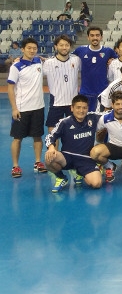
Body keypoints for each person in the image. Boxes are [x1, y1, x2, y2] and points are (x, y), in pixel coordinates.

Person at [44, 94, 102, 192]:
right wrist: (51, 147)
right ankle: (61, 177)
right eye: (78, 107)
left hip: (86, 159)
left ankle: (80, 172)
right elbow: (50, 136)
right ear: (72, 108)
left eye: (84, 108)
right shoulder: (65, 122)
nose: (81, 111)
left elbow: (110, 114)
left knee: (96, 184)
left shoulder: (92, 118)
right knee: (49, 157)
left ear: (87, 108)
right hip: (67, 157)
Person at [8, 37, 46, 178]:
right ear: (22, 49)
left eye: (34, 48)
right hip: (22, 109)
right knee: (18, 138)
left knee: (38, 136)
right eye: (29, 48)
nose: (32, 51)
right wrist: (14, 108)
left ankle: (38, 162)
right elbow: (11, 88)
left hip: (38, 107)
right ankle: (15, 166)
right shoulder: (16, 67)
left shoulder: (39, 61)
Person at [73, 26, 117, 111]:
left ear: (101, 37)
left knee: (102, 119)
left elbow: (119, 61)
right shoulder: (80, 50)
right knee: (85, 119)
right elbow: (67, 57)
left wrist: (112, 60)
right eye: (92, 35)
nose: (95, 38)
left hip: (103, 92)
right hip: (85, 92)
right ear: (88, 37)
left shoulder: (108, 51)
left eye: (97, 35)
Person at [43, 34, 81, 133]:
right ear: (56, 46)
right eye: (61, 45)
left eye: (67, 45)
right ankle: (53, 149)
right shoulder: (48, 63)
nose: (64, 47)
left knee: (74, 131)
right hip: (56, 103)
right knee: (53, 130)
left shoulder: (76, 60)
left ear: (70, 47)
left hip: (73, 103)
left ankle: (71, 149)